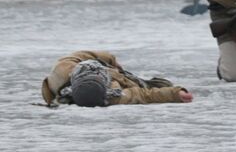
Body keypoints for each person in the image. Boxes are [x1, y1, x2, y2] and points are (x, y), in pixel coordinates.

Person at [41, 51, 193, 107]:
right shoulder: (112, 96)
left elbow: (80, 55)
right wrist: (174, 94)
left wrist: (111, 60)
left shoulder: (64, 69)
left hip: (114, 71)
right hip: (128, 81)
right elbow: (143, 95)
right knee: (162, 84)